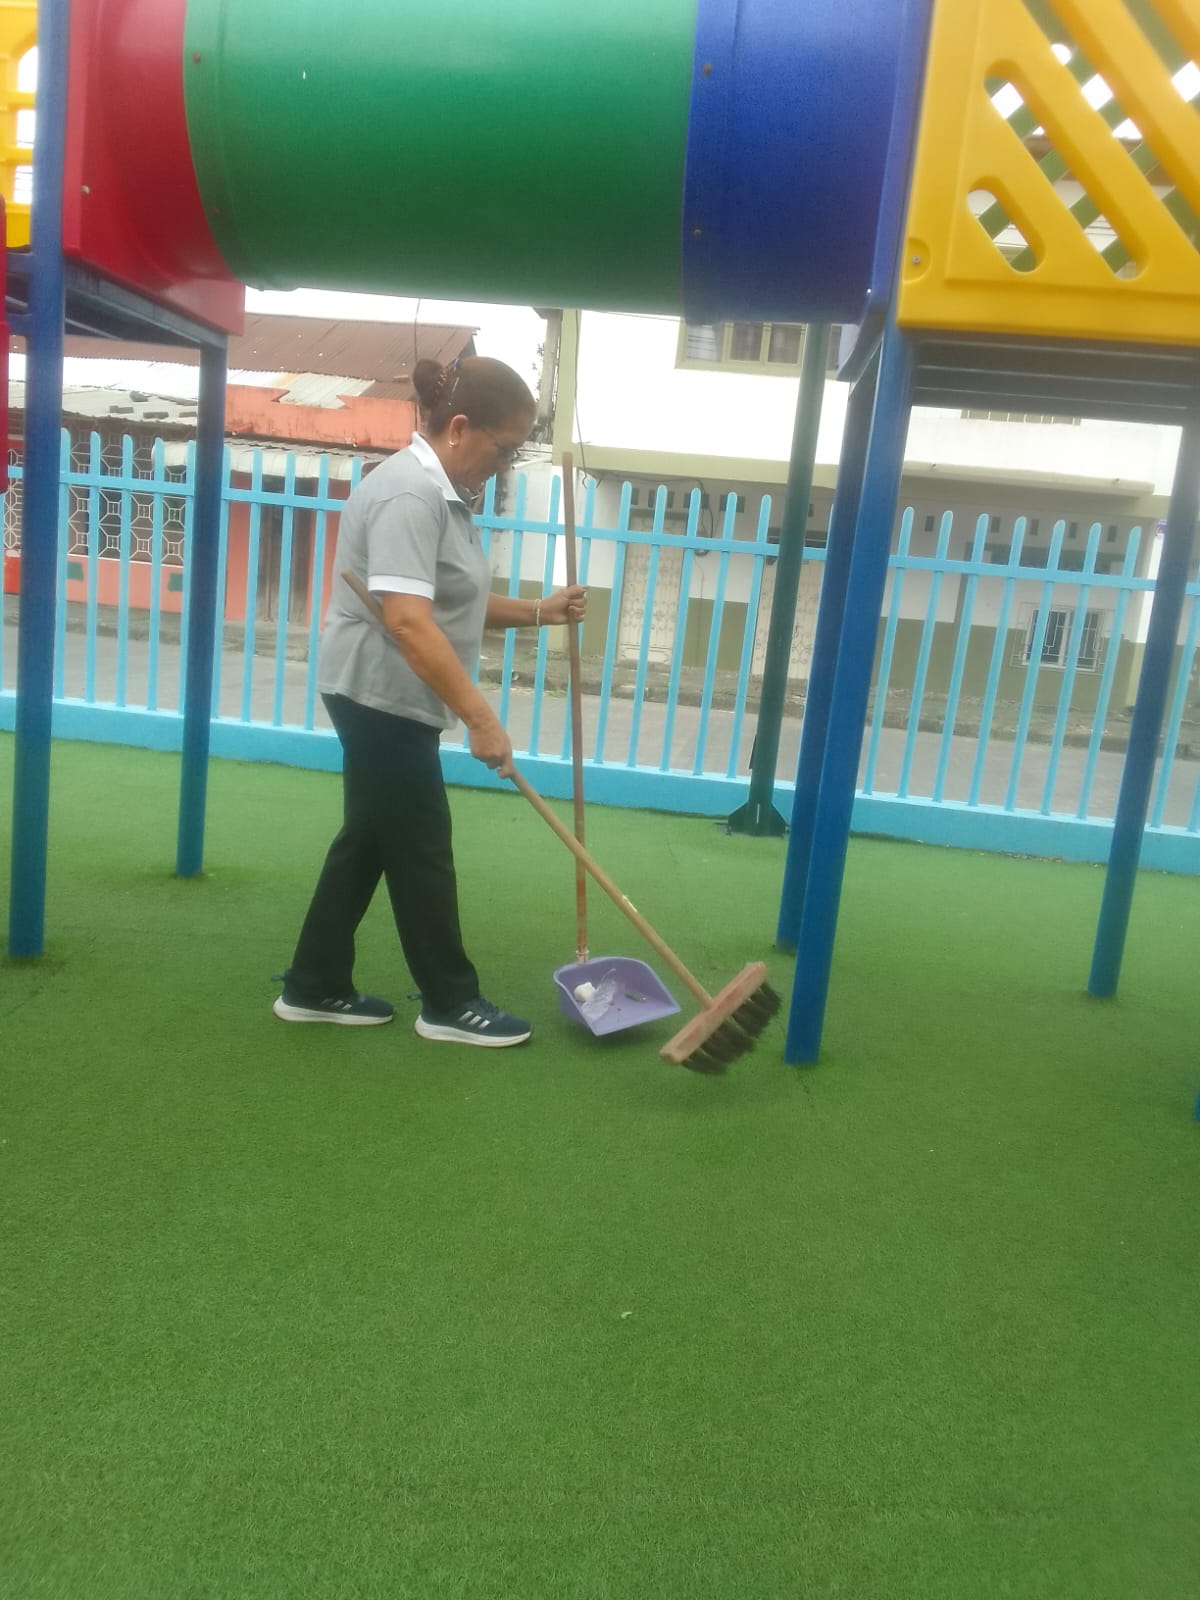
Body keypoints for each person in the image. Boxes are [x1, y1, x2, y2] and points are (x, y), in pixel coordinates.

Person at [273, 355, 586, 1047]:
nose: (504, 466)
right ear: (460, 427)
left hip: (393, 691)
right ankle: (450, 1002)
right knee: (421, 845)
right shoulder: (410, 496)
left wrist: (540, 611)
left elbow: (450, 601)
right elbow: (411, 622)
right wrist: (481, 719)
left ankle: (313, 984)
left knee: (369, 840)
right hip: (379, 692)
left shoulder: (441, 494)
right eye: (503, 449)